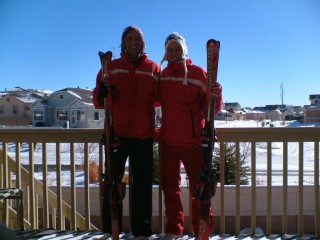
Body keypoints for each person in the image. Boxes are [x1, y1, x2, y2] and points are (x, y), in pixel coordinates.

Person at [92, 25, 160, 238]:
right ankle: (110, 230)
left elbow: (159, 98)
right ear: (123, 42)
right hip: (117, 134)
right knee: (112, 183)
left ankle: (142, 232)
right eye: (129, 38)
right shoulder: (110, 67)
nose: (133, 42)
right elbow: (98, 102)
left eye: (137, 39)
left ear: (143, 43)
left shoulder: (153, 68)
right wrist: (102, 94)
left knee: (142, 186)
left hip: (143, 135)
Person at [158, 32, 222, 238]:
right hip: (168, 142)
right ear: (166, 53)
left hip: (194, 142)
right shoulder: (163, 76)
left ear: (184, 49)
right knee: (170, 189)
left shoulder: (198, 73)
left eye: (177, 48)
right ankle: (174, 230)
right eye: (170, 49)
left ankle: (202, 231)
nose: (174, 52)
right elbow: (151, 101)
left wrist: (216, 93)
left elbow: (212, 109)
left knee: (200, 190)